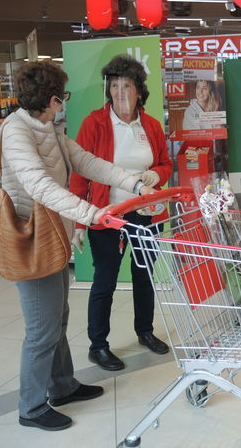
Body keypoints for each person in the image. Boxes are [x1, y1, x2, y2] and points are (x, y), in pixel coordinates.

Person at [0, 61, 155, 431]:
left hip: (53, 232)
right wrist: (91, 214)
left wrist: (133, 184)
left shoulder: (49, 127)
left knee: (59, 318)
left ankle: (63, 385)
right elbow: (39, 185)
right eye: (63, 97)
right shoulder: (16, 131)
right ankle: (32, 407)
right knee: (41, 330)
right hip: (31, 239)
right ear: (52, 100)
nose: (65, 103)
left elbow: (88, 162)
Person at [70, 55, 173, 372]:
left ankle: (145, 331)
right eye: (114, 85)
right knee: (105, 281)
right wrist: (78, 222)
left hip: (146, 213)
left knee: (144, 276)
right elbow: (79, 175)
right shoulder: (94, 124)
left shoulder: (151, 125)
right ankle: (97, 346)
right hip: (107, 215)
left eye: (125, 85)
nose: (119, 91)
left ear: (139, 90)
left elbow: (165, 164)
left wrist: (156, 175)